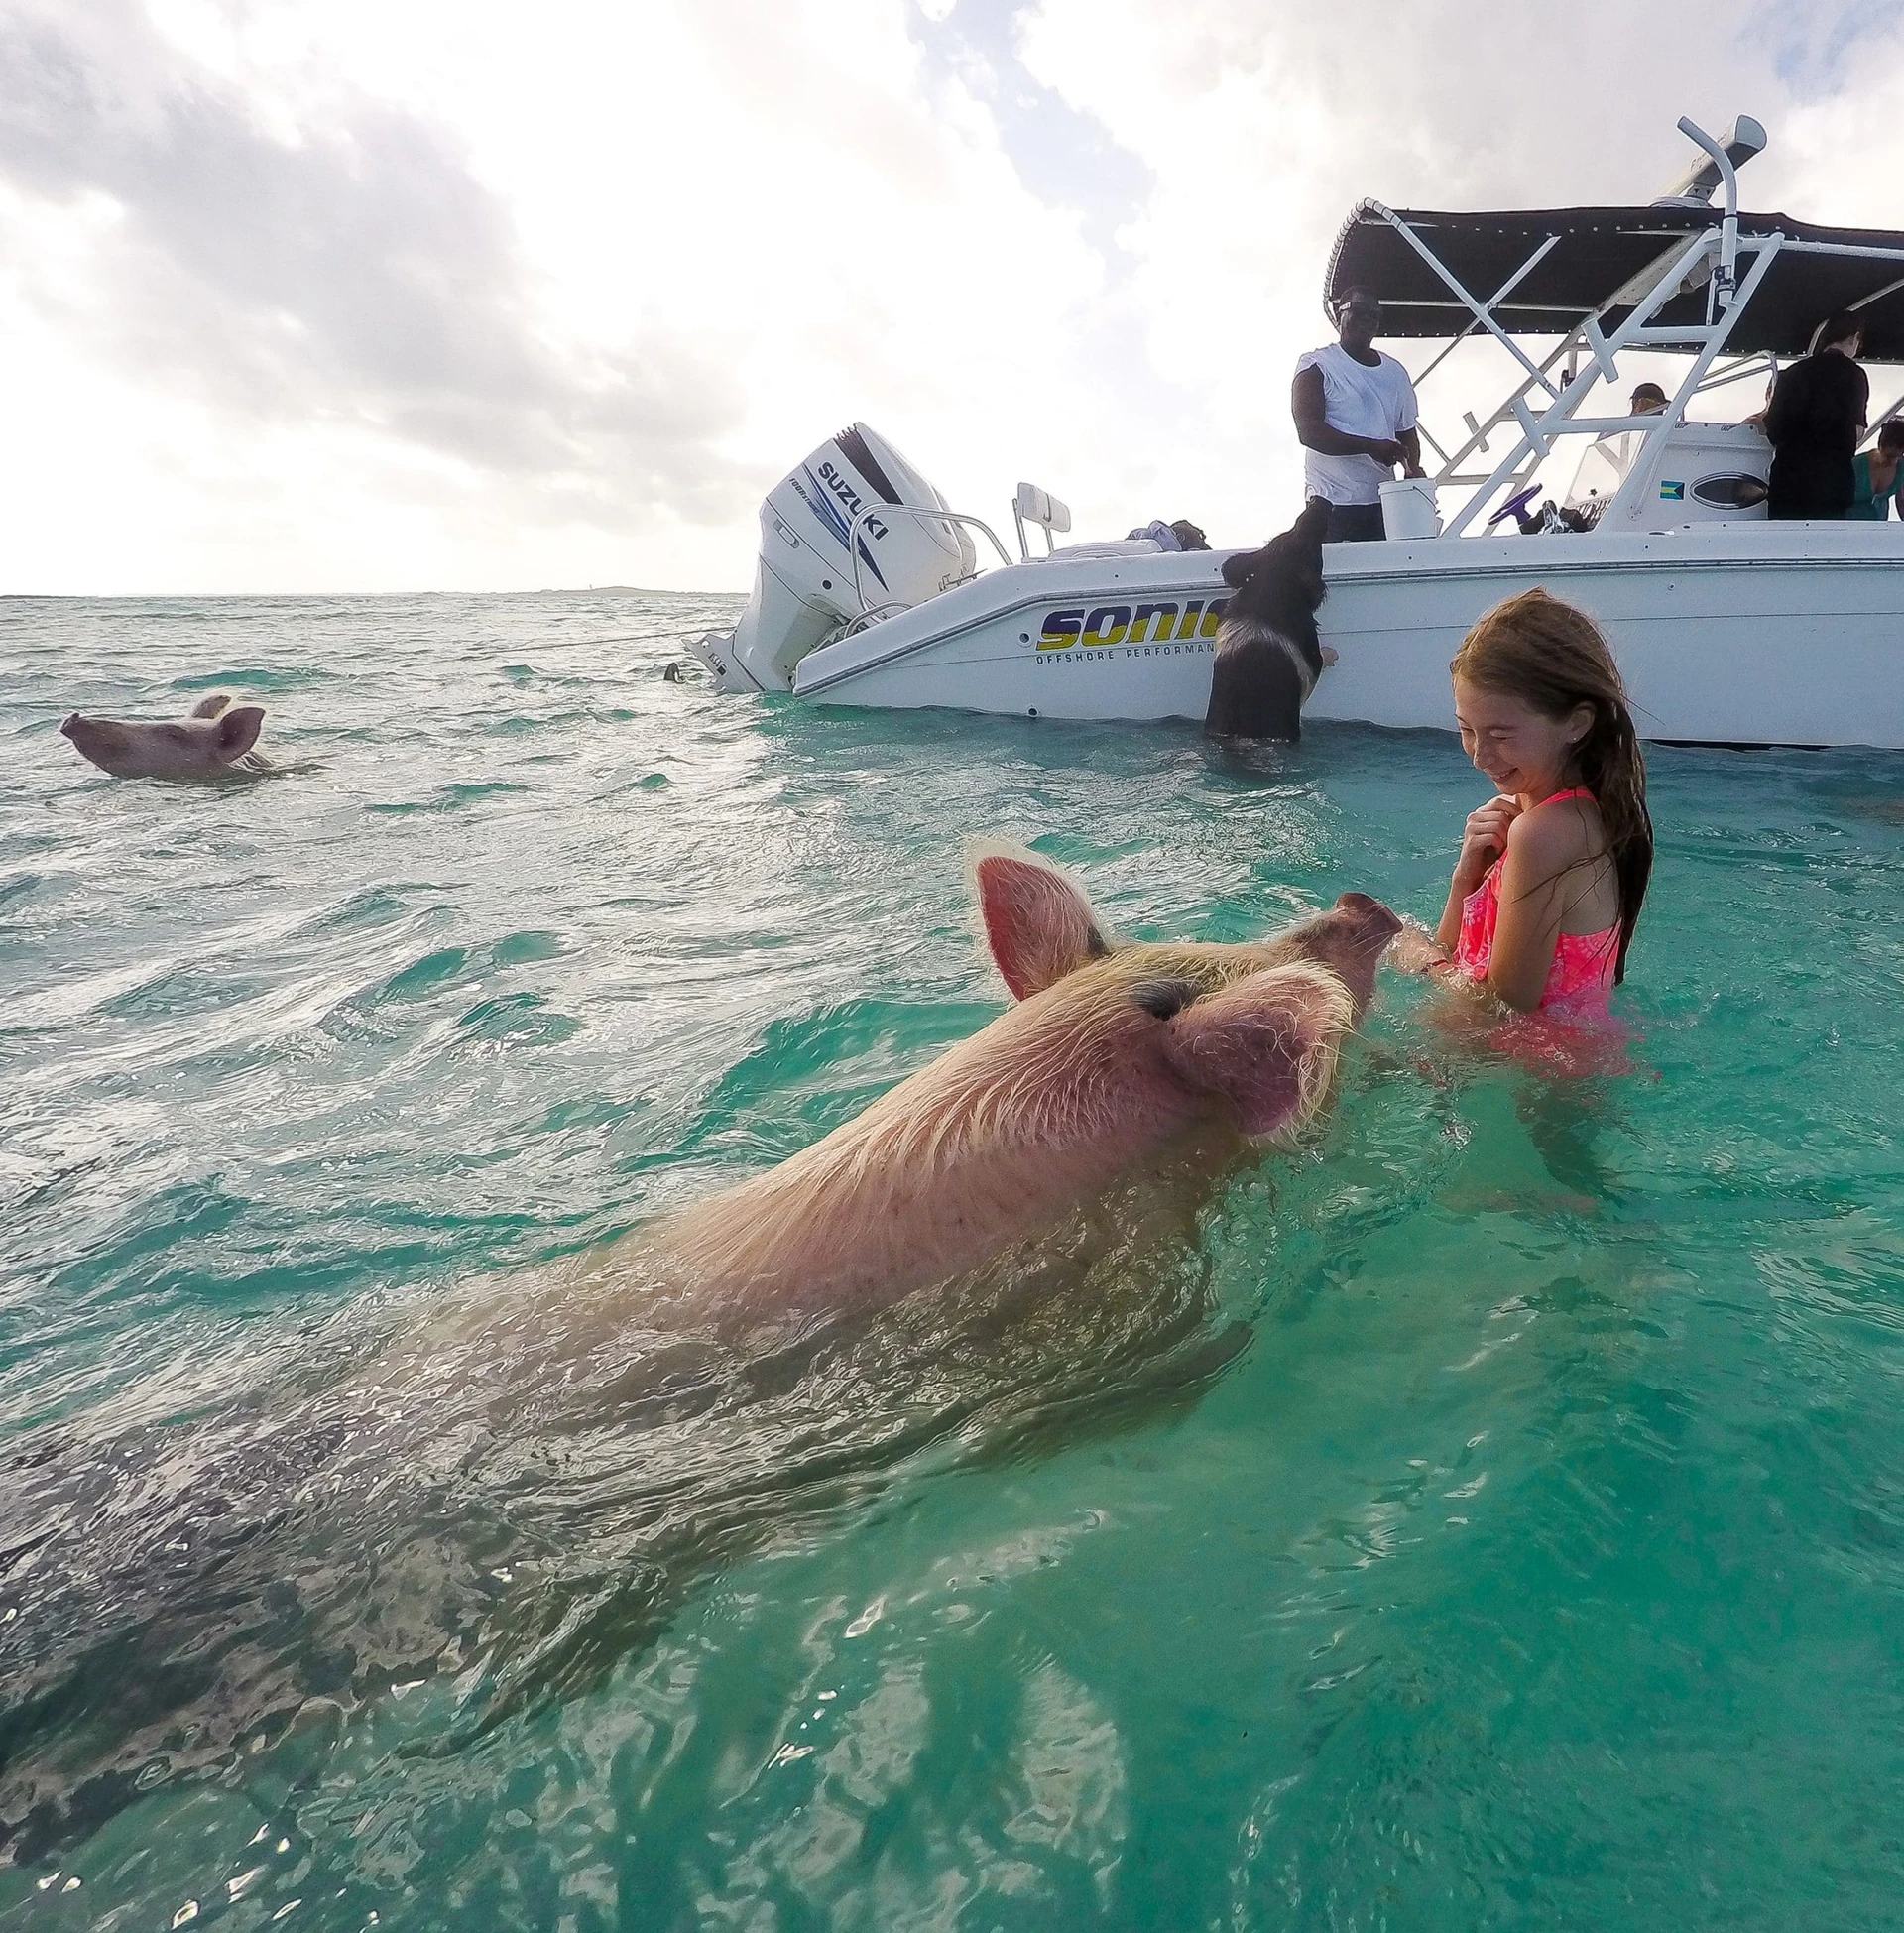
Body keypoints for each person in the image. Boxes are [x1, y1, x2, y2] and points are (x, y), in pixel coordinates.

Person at [1392, 589, 1652, 1017]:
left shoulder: (1544, 831)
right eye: (1466, 729)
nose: (1479, 755)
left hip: (1531, 1078)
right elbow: (1462, 955)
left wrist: (1421, 960)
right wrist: (1466, 876)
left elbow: (1505, 1008)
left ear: (1575, 724)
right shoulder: (1540, 814)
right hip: (1530, 1071)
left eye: (1500, 735)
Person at [1292, 287, 1423, 543]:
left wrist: (1412, 469)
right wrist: (1370, 447)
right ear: (1338, 314)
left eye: (1375, 314)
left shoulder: (1395, 372)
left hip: (1385, 504)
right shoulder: (1315, 365)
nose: (1368, 319)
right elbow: (1309, 432)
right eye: (1359, 311)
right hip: (1330, 505)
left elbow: (1407, 433)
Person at [1764, 311, 1869, 518]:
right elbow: (1857, 431)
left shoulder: (1791, 373)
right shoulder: (1854, 375)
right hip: (1830, 485)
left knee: (1784, 547)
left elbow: (1773, 429)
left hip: (1787, 483)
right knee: (1824, 548)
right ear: (1854, 337)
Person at [1848, 420, 1904, 520]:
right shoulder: (1856, 465)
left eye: (1895, 458)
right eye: (1888, 456)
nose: (1889, 462)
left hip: (1879, 527)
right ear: (1880, 445)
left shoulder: (1901, 468)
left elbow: (1902, 500)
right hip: (1849, 525)